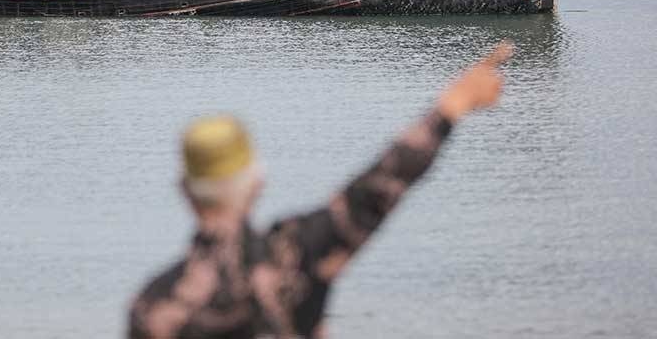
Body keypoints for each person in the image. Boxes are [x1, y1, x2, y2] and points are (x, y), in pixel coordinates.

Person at [127, 42, 514, 339]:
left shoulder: (154, 307)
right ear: (257, 184)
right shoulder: (293, 255)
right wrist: (453, 105)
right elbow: (377, 189)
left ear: (185, 192)